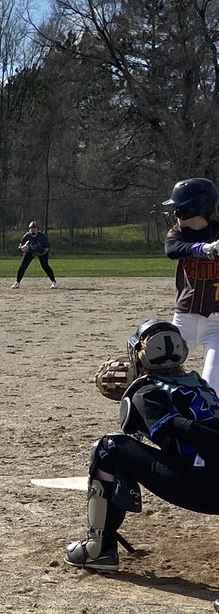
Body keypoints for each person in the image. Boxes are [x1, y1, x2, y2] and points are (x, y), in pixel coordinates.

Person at [65, 318, 219, 571]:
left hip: (203, 489)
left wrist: (132, 392)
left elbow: (176, 427)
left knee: (109, 447)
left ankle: (98, 549)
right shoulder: (200, 385)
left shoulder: (146, 392)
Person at [162, 177, 219, 391]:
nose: (174, 213)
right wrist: (202, 249)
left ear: (191, 209)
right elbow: (172, 250)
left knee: (212, 387)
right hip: (183, 319)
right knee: (157, 376)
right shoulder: (178, 233)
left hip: (217, 324)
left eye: (178, 208)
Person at [11, 220, 58, 288]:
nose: (33, 230)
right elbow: (20, 248)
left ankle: (54, 282)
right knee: (23, 266)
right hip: (30, 251)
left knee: (45, 265)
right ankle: (17, 282)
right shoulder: (26, 236)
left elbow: (47, 247)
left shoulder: (42, 236)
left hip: (41, 252)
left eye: (34, 228)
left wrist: (42, 252)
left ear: (37, 229)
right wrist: (23, 248)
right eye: (31, 228)